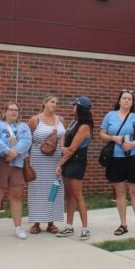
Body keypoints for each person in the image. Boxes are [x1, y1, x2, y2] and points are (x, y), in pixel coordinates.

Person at [0, 102, 32, 240]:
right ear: (5, 112)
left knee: (16, 196)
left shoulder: (23, 127)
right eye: (11, 110)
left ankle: (18, 227)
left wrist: (14, 153)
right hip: (0, 164)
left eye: (16, 110)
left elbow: (27, 141)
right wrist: (8, 151)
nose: (14, 112)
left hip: (17, 164)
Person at [99, 89, 135, 236]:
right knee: (120, 193)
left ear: (132, 102)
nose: (127, 100)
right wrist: (113, 138)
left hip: (134, 155)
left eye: (129, 99)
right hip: (116, 157)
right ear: (119, 100)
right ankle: (123, 224)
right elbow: (102, 134)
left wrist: (133, 144)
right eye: (124, 98)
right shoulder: (110, 115)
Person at [55, 96, 94, 240]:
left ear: (80, 108)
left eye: (75, 105)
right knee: (69, 194)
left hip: (77, 161)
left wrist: (59, 164)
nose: (72, 108)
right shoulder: (74, 122)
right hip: (68, 160)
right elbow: (64, 138)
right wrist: (62, 147)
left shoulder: (84, 127)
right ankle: (69, 226)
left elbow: (72, 149)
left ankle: (85, 228)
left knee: (78, 195)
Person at [26, 94, 66, 234]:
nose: (54, 104)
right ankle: (36, 223)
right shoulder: (34, 120)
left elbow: (63, 139)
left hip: (56, 160)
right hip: (38, 159)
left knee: (54, 190)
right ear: (44, 103)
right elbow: (27, 140)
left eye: (56, 102)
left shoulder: (60, 120)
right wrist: (26, 160)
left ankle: (51, 222)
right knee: (37, 191)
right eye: (51, 101)